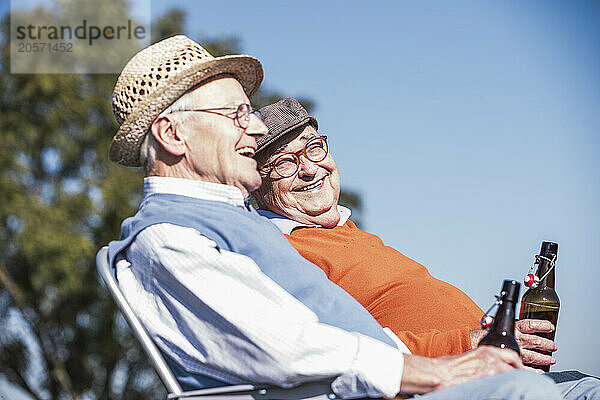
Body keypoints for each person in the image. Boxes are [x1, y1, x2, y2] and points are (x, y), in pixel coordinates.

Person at [107, 35, 562, 400]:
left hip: (402, 380)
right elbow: (285, 349)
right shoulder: (169, 238)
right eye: (238, 113)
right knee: (529, 392)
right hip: (383, 389)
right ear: (172, 134)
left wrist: (469, 350)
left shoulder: (226, 228)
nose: (259, 127)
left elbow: (335, 335)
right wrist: (445, 363)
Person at [252, 98, 600, 398]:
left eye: (314, 148)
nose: (310, 169)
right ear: (256, 184)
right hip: (446, 384)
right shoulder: (282, 252)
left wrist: (495, 335)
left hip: (494, 371)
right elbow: (338, 348)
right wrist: (472, 342)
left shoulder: (350, 234)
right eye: (283, 163)